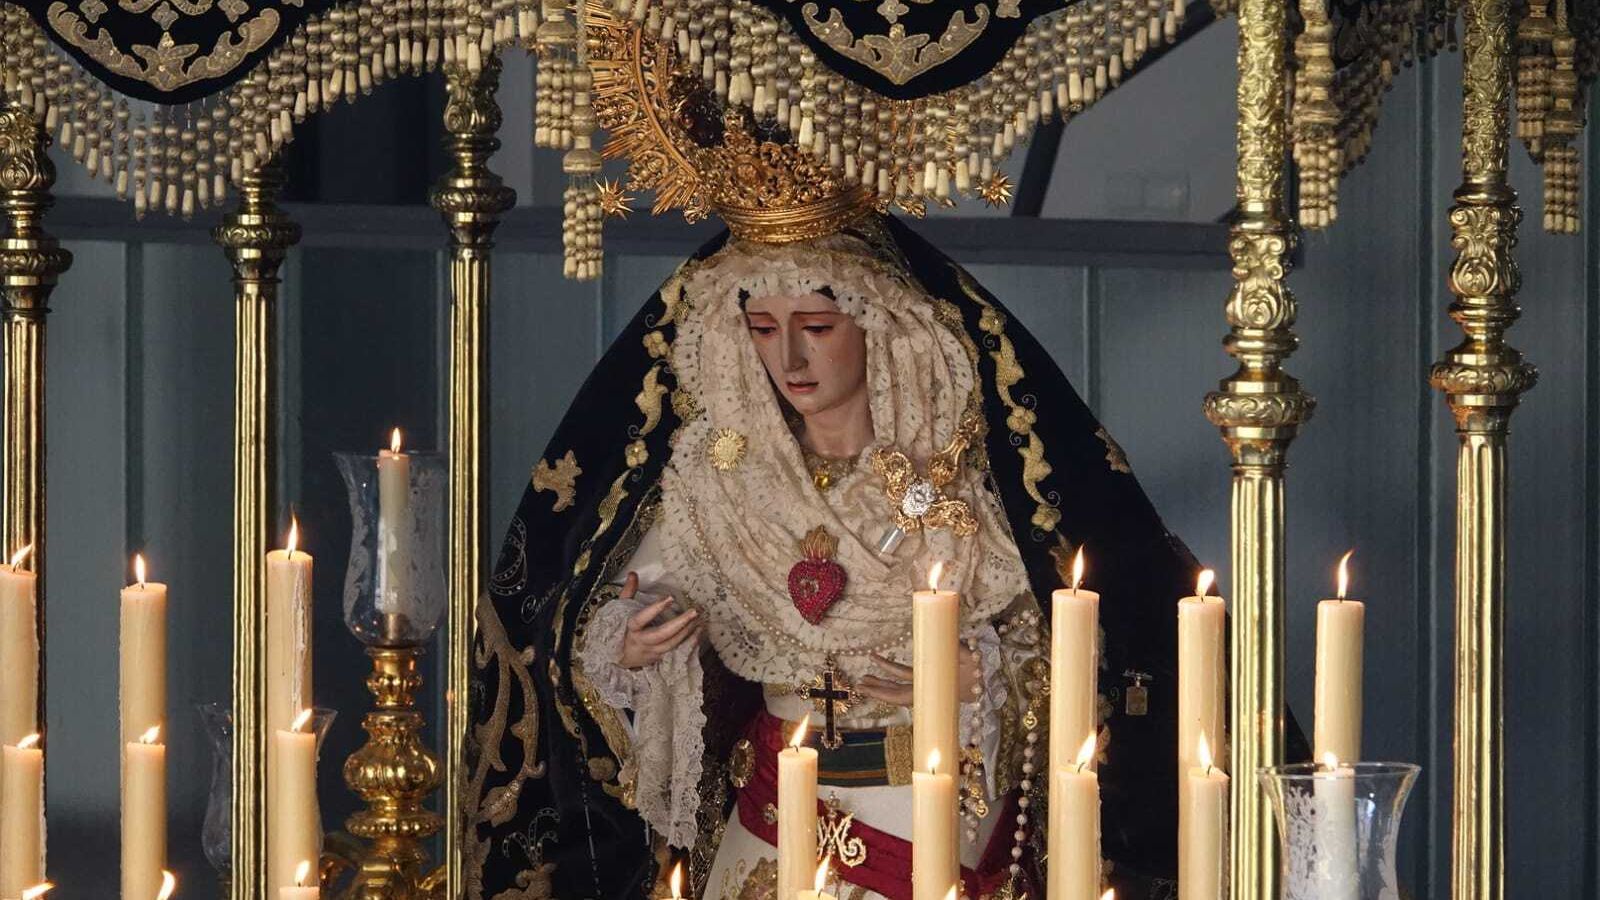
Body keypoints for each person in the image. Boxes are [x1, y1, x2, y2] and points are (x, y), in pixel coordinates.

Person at [463, 215, 1273, 900]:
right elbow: (626, 613)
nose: (791, 361)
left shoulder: (958, 481)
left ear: (875, 323)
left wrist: (982, 673)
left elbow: (1066, 640)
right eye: (764, 329)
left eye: (816, 328)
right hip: (773, 815)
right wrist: (630, 644)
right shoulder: (720, 485)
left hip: (924, 806)